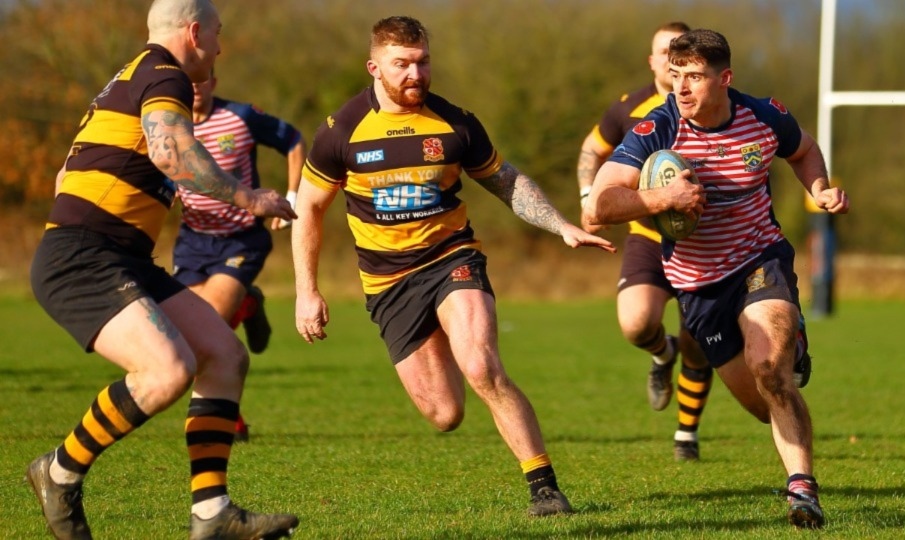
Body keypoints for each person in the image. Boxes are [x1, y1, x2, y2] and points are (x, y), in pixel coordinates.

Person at [292, 15, 615, 517]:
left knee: (483, 366)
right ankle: (443, 337)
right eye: (401, 65)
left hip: (452, 259)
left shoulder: (456, 123)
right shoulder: (340, 132)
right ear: (374, 67)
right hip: (388, 282)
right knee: (445, 414)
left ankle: (544, 488)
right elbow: (309, 209)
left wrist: (559, 225)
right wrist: (306, 290)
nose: (415, 74)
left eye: (422, 62)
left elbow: (505, 181)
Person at [26, 1, 299, 538]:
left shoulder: (129, 77)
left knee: (223, 354)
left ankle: (211, 513)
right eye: (218, 35)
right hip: (84, 257)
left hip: (117, 254)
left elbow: (64, 174)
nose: (219, 47)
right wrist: (250, 197)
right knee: (166, 372)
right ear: (195, 32)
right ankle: (58, 472)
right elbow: (173, 154)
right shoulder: (164, 74)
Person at [583, 29, 848, 529]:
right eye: (676, 76)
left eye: (695, 77)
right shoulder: (655, 130)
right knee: (762, 403)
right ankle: (788, 352)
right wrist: (663, 200)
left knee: (770, 367)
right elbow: (600, 206)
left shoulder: (764, 116)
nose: (681, 88)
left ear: (724, 78)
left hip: (757, 260)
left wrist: (819, 188)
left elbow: (805, 150)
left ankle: (803, 493)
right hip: (698, 285)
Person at [576, 21, 715, 461]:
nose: (672, 61)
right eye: (664, 53)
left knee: (698, 341)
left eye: (681, 54)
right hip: (647, 238)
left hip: (703, 242)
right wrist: (588, 196)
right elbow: (590, 151)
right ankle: (661, 354)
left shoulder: (712, 105)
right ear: (653, 61)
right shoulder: (628, 110)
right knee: (636, 324)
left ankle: (686, 435)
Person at [172, 69, 306, 442]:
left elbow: (294, 140)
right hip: (192, 242)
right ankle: (248, 304)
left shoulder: (240, 117)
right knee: (184, 335)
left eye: (202, 79)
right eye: (188, 80)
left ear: (214, 81)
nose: (195, 87)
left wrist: (292, 197)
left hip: (240, 240)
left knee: (206, 325)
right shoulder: (166, 129)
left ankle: (229, 422)